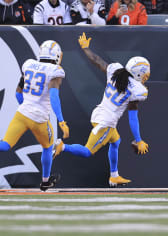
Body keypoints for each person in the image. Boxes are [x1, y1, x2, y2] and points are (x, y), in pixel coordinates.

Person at [0, 40, 70, 192]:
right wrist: (61, 121)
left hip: (22, 113)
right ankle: (45, 181)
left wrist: (27, 105)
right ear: (55, 55)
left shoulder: (29, 64)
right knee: (48, 147)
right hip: (40, 118)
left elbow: (17, 93)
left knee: (6, 143)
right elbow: (54, 96)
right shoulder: (55, 70)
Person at [52, 32, 150, 187]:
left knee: (116, 141)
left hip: (98, 113)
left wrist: (85, 49)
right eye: (145, 73)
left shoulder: (117, 72)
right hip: (106, 121)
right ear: (139, 73)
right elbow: (133, 116)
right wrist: (138, 140)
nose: (146, 77)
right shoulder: (137, 89)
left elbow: (97, 61)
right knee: (87, 151)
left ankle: (114, 176)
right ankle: (62, 146)